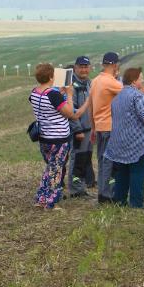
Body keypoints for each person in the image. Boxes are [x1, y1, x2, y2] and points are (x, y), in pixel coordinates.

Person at [89, 52, 144, 203]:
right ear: (115, 65)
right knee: (112, 165)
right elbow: (134, 95)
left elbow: (91, 106)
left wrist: (93, 127)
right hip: (110, 127)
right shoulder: (111, 83)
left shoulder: (95, 81)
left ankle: (109, 195)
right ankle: (106, 196)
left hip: (100, 126)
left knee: (106, 162)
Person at [30, 62, 91, 210]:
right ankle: (50, 203)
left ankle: (41, 198)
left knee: (50, 168)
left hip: (44, 137)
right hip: (58, 139)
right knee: (56, 171)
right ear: (51, 76)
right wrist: (69, 95)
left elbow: (50, 106)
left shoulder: (35, 92)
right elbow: (71, 113)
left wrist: (61, 94)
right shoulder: (53, 95)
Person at [66, 56, 96, 197]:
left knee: (85, 159)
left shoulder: (89, 83)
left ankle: (82, 186)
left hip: (89, 129)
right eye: (81, 67)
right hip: (79, 131)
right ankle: (75, 190)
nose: (84, 69)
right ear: (75, 68)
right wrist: (77, 130)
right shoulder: (72, 86)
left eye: (86, 66)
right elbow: (71, 111)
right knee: (77, 159)